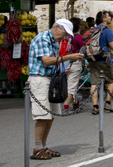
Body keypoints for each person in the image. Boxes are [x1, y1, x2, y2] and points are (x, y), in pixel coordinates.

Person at [28, 19, 78, 160]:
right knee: (42, 114)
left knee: (50, 115)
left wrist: (63, 67)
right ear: (56, 27)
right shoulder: (43, 39)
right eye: (63, 33)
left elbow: (54, 60)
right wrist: (68, 57)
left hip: (49, 78)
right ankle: (38, 148)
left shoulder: (54, 41)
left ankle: (43, 146)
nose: (64, 37)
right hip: (40, 79)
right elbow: (47, 60)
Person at [86, 11, 113, 114]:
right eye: (109, 16)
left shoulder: (92, 30)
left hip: (92, 58)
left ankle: (95, 106)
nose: (110, 18)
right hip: (104, 59)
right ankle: (108, 103)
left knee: (94, 82)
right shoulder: (107, 30)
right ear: (104, 19)